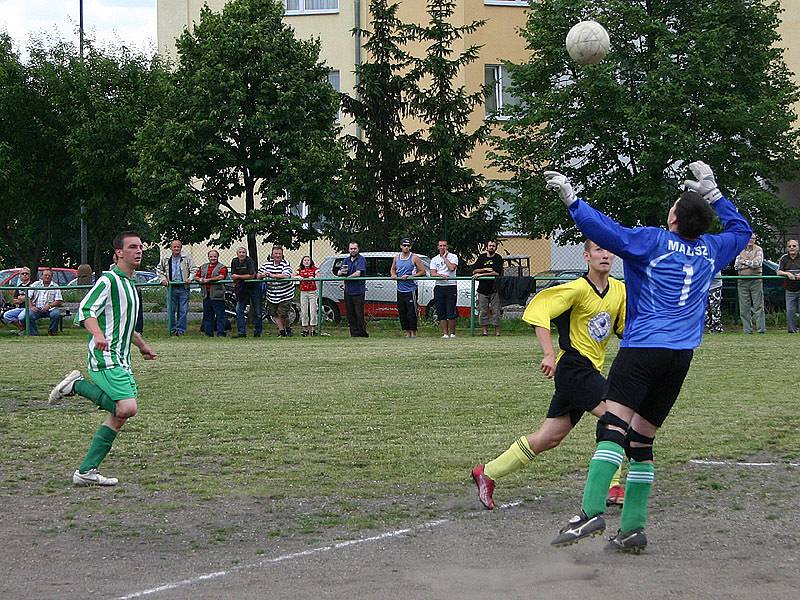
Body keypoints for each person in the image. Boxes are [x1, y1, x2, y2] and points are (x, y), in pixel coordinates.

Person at [544, 161, 751, 553]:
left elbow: (610, 233)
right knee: (641, 439)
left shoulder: (655, 241)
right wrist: (716, 195)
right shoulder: (712, 249)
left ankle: (589, 512)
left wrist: (573, 201)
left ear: (673, 217)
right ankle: (634, 528)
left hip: (642, 349)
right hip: (680, 357)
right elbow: (741, 231)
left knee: (613, 425)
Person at [471, 240, 627, 510]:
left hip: (590, 371)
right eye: (598, 250)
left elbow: (625, 329)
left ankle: (487, 472)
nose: (605, 254)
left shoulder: (619, 290)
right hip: (573, 369)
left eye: (607, 250)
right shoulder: (576, 288)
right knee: (616, 417)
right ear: (586, 256)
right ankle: (611, 486)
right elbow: (538, 310)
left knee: (549, 437)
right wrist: (548, 354)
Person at [48, 231, 157, 486]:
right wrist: (97, 333)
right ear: (119, 252)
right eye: (132, 247)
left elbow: (126, 326)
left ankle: (86, 471)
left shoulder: (130, 285)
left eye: (140, 246)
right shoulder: (108, 280)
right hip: (105, 357)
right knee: (127, 408)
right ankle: (76, 385)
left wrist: (142, 346)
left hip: (122, 358)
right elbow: (86, 310)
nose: (138, 251)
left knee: (119, 416)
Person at [156, 239, 195, 336]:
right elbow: (159, 270)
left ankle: (181, 330)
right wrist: (163, 279)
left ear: (181, 248)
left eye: (178, 247)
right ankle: (172, 329)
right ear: (171, 248)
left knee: (183, 310)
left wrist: (190, 278)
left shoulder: (187, 258)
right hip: (171, 288)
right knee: (171, 310)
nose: (176, 248)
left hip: (183, 287)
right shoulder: (165, 258)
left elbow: (194, 269)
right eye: (174, 247)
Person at [390, 238, 426, 338]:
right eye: (404, 245)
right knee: (402, 311)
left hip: (411, 290)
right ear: (401, 246)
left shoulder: (414, 258)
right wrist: (393, 275)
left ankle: (413, 332)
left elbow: (422, 271)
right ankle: (407, 332)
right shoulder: (396, 258)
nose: (406, 247)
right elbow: (393, 269)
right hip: (400, 289)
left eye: (408, 246)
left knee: (411, 312)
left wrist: (410, 277)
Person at [258, 246, 294, 337]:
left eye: (279, 254)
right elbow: (258, 275)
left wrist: (271, 275)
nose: (277, 255)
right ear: (272, 255)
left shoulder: (286, 264)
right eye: (276, 253)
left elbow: (286, 275)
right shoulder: (266, 265)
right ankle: (282, 332)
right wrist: (262, 275)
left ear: (282, 255)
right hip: (272, 294)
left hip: (285, 294)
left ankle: (287, 328)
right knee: (274, 314)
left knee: (282, 314)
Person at [734, 233, 766, 334]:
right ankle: (747, 330)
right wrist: (750, 264)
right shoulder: (740, 249)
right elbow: (736, 266)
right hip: (742, 281)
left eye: (753, 238)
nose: (751, 240)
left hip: (756, 280)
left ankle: (761, 330)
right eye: (749, 238)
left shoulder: (759, 250)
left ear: (755, 239)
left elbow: (758, 263)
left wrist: (744, 262)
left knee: (758, 306)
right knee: (744, 307)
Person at [472, 240, 504, 336]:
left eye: (493, 246)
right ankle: (485, 331)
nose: (491, 247)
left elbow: (496, 273)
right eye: (490, 246)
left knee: (496, 310)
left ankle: (497, 332)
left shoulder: (498, 258)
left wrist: (481, 274)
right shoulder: (481, 257)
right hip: (482, 289)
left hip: (495, 289)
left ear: (496, 248)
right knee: (483, 310)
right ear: (487, 247)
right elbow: (474, 271)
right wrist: (484, 269)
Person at [194, 249, 228, 337]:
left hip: (218, 295)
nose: (213, 258)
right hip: (206, 294)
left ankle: (221, 333)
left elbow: (221, 276)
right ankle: (208, 333)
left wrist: (208, 280)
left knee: (220, 315)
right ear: (208, 257)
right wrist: (200, 279)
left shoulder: (222, 267)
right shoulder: (203, 266)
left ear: (218, 257)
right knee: (208, 315)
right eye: (211, 256)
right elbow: (196, 276)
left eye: (215, 256)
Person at [230, 246, 262, 338]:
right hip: (242, 288)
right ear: (237, 254)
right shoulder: (234, 261)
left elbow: (252, 275)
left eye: (243, 252)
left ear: (246, 253)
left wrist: (239, 277)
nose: (242, 254)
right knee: (238, 310)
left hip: (254, 287)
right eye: (240, 252)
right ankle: (241, 332)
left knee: (258, 311)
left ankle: (257, 332)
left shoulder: (249, 261)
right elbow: (233, 276)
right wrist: (242, 277)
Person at [430, 240, 459, 338]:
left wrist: (444, 258)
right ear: (438, 247)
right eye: (440, 246)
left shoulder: (453, 257)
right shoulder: (434, 259)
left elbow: (451, 268)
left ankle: (452, 333)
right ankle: (445, 334)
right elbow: (433, 273)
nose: (442, 247)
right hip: (439, 287)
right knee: (441, 311)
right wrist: (440, 275)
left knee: (451, 311)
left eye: (444, 245)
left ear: (447, 247)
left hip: (451, 286)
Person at [339, 241, 368, 337]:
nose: (353, 250)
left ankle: (362, 333)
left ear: (358, 249)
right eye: (351, 248)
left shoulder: (361, 259)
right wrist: (340, 273)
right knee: (350, 313)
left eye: (355, 248)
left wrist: (347, 277)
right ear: (348, 249)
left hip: (358, 291)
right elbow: (341, 271)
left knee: (359, 313)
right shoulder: (346, 260)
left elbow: (358, 273)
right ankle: (354, 333)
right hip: (348, 291)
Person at [26, 268, 64, 336]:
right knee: (28, 315)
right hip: (37, 308)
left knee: (56, 314)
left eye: (49, 275)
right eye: (45, 275)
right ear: (41, 276)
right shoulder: (35, 284)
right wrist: (31, 306)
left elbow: (59, 301)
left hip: (50, 309)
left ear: (52, 277)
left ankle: (52, 332)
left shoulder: (55, 286)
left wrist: (49, 305)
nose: (47, 277)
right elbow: (28, 297)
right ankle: (34, 334)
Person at [777, 239, 800, 333]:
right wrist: (787, 274)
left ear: (798, 247)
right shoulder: (784, 258)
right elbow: (778, 272)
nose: (792, 248)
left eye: (794, 246)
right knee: (790, 311)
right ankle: (792, 331)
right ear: (787, 248)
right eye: (790, 246)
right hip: (790, 289)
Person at [2, 267, 32, 333]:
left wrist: (23, 298)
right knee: (6, 315)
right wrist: (23, 299)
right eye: (22, 273)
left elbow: (32, 298)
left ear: (29, 275)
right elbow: (14, 300)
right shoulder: (19, 286)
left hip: (30, 308)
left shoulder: (33, 285)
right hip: (20, 308)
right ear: (20, 276)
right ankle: (23, 328)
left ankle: (26, 330)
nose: (24, 275)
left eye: (26, 273)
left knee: (21, 316)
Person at [297, 255, 320, 337]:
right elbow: (294, 275)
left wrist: (314, 277)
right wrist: (298, 277)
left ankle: (313, 329)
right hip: (303, 292)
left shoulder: (314, 269)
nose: (306, 261)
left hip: (312, 292)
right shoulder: (300, 270)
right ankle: (305, 329)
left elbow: (318, 274)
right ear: (302, 262)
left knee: (313, 311)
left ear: (310, 262)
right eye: (305, 260)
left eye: (308, 260)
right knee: (304, 311)